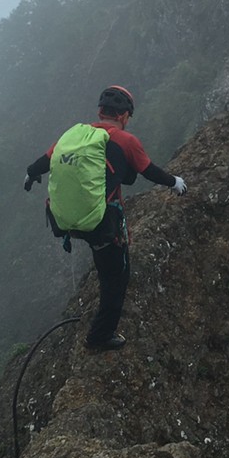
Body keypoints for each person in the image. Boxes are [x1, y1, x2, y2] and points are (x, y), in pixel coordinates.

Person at [24, 85, 187, 351]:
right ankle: (100, 337)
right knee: (117, 278)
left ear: (101, 111)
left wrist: (31, 174)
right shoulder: (125, 141)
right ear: (123, 116)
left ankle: (101, 307)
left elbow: (44, 161)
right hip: (101, 222)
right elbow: (149, 170)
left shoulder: (74, 135)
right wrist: (175, 182)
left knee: (104, 262)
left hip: (67, 220)